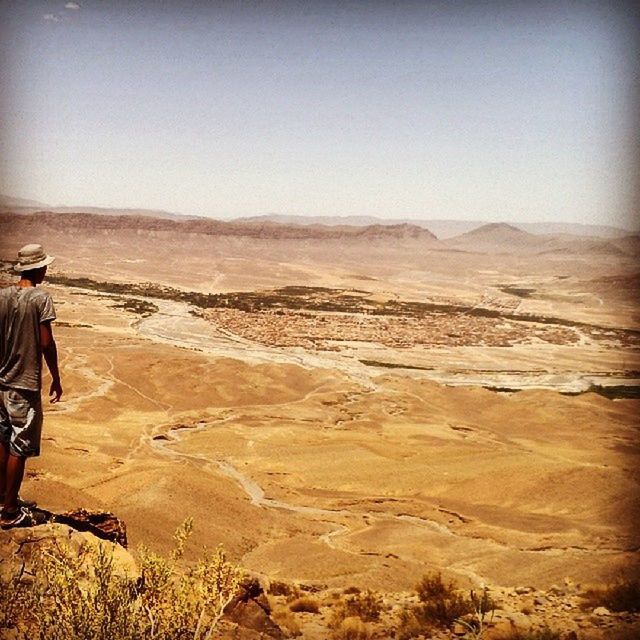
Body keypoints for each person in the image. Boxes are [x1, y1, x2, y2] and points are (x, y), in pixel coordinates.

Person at [0, 243, 63, 529]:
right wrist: (56, 378)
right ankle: (11, 512)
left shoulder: (2, 296)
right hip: (24, 385)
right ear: (37, 268)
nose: (46, 269)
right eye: (44, 265)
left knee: (2, 439)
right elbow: (46, 342)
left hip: (1, 382)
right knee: (19, 446)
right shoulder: (40, 298)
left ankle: (3, 497)